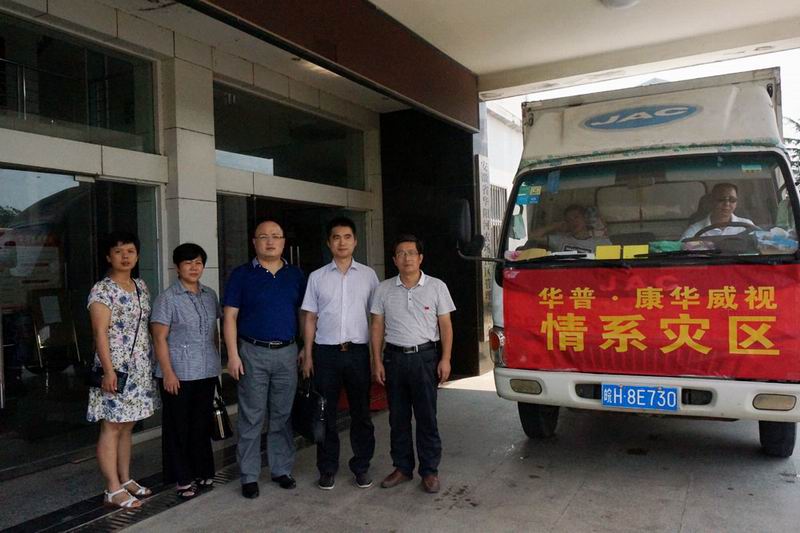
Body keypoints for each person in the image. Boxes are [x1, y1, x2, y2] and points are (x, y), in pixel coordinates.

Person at [223, 219, 306, 499]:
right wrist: (232, 355)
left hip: (287, 352)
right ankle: (249, 475)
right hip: (252, 352)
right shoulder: (242, 274)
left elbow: (304, 314)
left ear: (283, 242)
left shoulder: (295, 275)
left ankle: (281, 469)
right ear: (254, 242)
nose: (270, 241)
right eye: (263, 236)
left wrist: (305, 348)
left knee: (282, 415)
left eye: (275, 236)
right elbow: (230, 316)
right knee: (252, 416)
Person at [370, 234, 455, 494]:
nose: (406, 258)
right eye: (401, 253)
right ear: (394, 259)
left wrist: (446, 359)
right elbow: (377, 326)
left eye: (411, 253)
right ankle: (402, 468)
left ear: (421, 258)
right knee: (398, 418)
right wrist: (376, 361)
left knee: (427, 417)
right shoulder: (383, 289)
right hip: (394, 358)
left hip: (425, 358)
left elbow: (445, 325)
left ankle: (429, 471)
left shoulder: (437, 286)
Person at [301, 217, 379, 490]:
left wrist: (375, 356)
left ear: (355, 241)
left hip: (357, 352)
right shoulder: (317, 277)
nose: (342, 242)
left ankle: (361, 466)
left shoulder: (369, 276)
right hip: (326, 354)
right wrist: (308, 354)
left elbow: (376, 318)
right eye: (336, 237)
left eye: (347, 237)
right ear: (329, 243)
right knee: (325, 414)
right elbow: (310, 317)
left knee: (361, 414)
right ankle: (327, 468)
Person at [87, 231, 158, 509]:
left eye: (130, 251)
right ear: (108, 256)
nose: (125, 256)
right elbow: (99, 333)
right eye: (118, 251)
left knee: (128, 425)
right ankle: (112, 488)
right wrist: (108, 371)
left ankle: (125, 479)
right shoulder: (102, 290)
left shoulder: (140, 286)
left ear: (137, 255)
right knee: (111, 426)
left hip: (139, 367)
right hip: (114, 368)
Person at [151, 243, 221, 499]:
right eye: (188, 263)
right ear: (177, 267)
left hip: (206, 370)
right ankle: (182, 478)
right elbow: (159, 338)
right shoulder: (168, 298)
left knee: (200, 425)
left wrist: (218, 364)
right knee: (178, 427)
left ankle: (202, 470)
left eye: (198, 263)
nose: (194, 267)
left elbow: (214, 333)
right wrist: (167, 372)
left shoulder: (210, 295)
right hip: (178, 372)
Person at [681, 183, 755, 240]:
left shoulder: (747, 226)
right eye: (721, 199)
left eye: (732, 200)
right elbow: (682, 250)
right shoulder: (695, 230)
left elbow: (759, 247)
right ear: (712, 201)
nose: (727, 204)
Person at [528, 204, 611, 253]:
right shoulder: (561, 239)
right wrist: (554, 226)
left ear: (585, 218)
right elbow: (532, 236)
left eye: (576, 217)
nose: (573, 222)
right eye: (569, 220)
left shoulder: (601, 243)